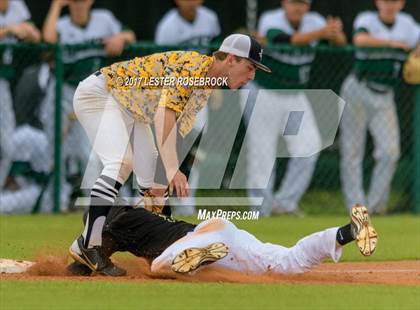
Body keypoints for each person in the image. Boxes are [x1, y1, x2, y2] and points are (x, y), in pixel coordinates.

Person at [68, 33, 271, 276]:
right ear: (230, 59)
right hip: (101, 93)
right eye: (249, 67)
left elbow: (173, 131)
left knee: (155, 187)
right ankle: (87, 245)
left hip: (130, 107)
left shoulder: (204, 85)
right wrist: (173, 169)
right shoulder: (192, 68)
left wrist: (164, 179)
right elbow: (164, 117)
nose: (252, 76)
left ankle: (155, 254)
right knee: (121, 163)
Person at [68, 203, 378, 276]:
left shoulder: (123, 223)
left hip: (200, 240)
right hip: (219, 230)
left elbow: (87, 262)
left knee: (159, 267)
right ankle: (348, 232)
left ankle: (203, 256)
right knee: (288, 260)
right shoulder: (136, 217)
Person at [244, 0, 346, 216]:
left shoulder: (315, 22)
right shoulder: (271, 19)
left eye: (302, 2)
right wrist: (321, 32)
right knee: (262, 153)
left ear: (308, 5)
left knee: (309, 146)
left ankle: (285, 203)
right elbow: (286, 39)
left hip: (295, 95)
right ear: (284, 3)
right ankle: (260, 209)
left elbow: (341, 44)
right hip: (265, 92)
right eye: (293, 1)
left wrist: (335, 33)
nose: (298, 6)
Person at [41, 0, 136, 208]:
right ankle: (53, 204)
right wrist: (57, 5)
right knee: (57, 152)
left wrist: (120, 37)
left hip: (94, 94)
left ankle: (100, 205)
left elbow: (131, 35)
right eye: (73, 1)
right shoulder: (62, 24)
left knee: (90, 154)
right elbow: (47, 40)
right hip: (64, 92)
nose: (78, 4)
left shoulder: (104, 20)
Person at [340, 0, 420, 214]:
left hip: (385, 95)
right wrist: (393, 44)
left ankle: (375, 207)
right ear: (378, 2)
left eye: (394, 0)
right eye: (385, 0)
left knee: (389, 152)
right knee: (352, 151)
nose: (389, 4)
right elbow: (359, 39)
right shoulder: (367, 19)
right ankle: (356, 208)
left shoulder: (407, 24)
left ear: (401, 3)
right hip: (358, 88)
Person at [155, 0, 221, 216]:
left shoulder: (210, 19)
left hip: (200, 92)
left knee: (197, 151)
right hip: (176, 92)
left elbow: (215, 57)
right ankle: (157, 202)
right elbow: (162, 64)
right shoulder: (167, 26)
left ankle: (186, 203)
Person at [0, 0, 40, 190]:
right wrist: (8, 30)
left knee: (7, 147)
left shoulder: (17, 7)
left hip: (3, 83)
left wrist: (26, 30)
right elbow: (11, 30)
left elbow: (36, 36)